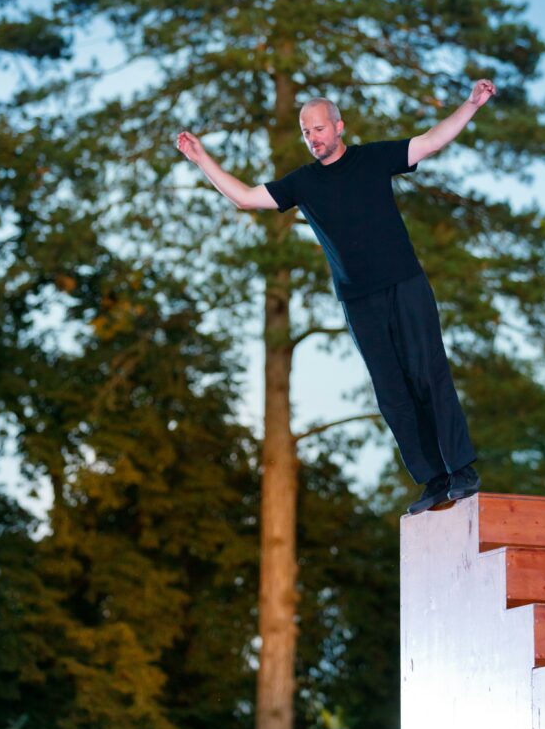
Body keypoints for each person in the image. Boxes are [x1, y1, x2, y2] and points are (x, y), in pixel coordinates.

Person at [176, 78, 496, 514]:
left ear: (339, 127)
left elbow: (430, 142)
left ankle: (461, 469)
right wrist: (200, 158)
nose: (313, 138)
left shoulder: (373, 158)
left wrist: (471, 104)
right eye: (306, 132)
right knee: (391, 392)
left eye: (319, 129)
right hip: (358, 299)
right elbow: (246, 198)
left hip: (404, 282)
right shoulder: (303, 183)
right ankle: (434, 479)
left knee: (427, 373)